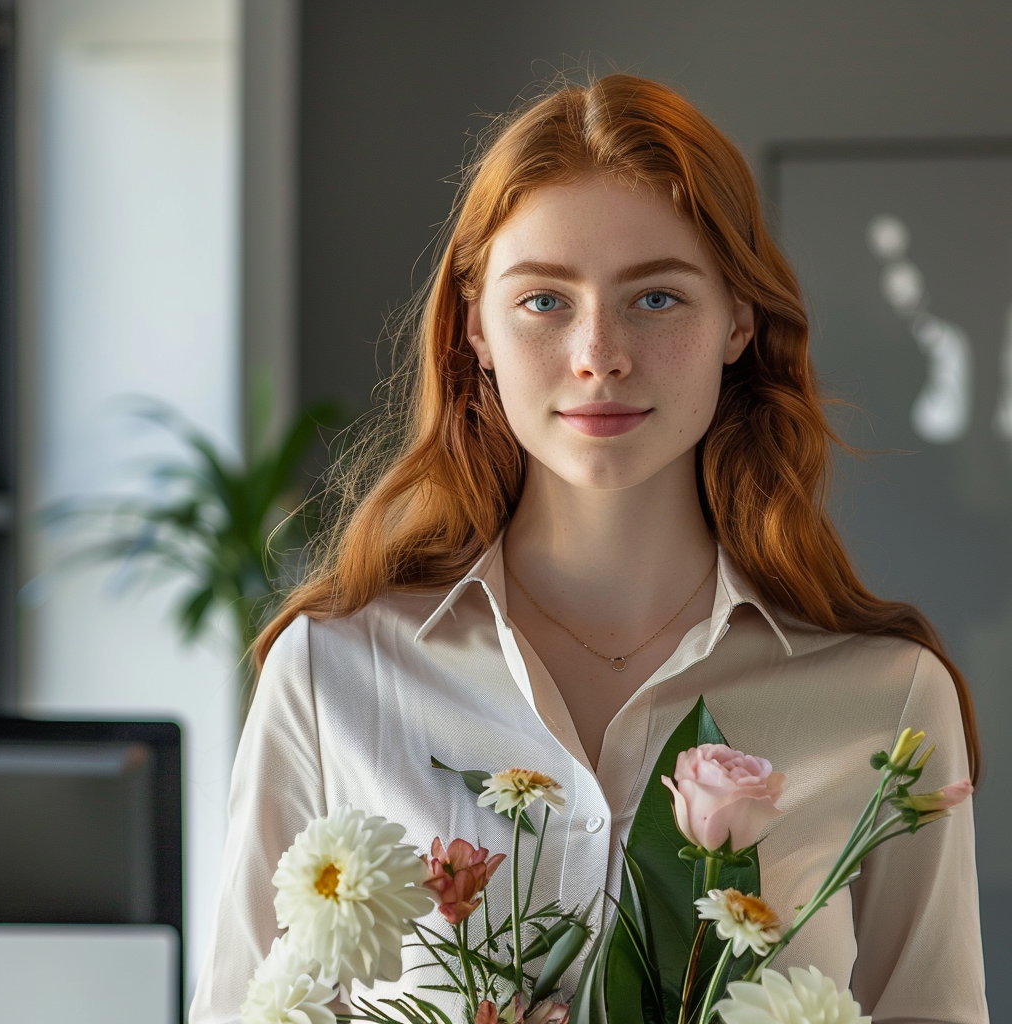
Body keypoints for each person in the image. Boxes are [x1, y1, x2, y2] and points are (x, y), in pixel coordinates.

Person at [190, 74, 988, 1023]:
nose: (598, 354)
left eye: (656, 297)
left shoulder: (890, 703)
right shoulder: (331, 675)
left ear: (739, 319)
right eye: (543, 302)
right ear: (475, 324)